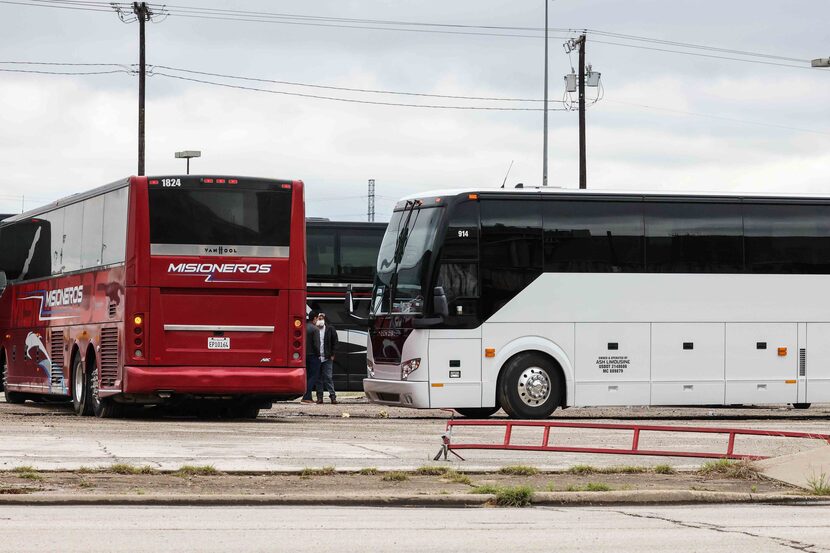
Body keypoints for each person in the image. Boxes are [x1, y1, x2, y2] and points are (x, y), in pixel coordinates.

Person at [315, 312, 339, 404]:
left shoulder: (330, 329)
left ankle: (333, 397)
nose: (320, 320)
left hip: (327, 357)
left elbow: (335, 342)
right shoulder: (314, 329)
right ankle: (319, 397)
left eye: (321, 318)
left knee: (328, 377)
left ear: (324, 319)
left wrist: (333, 354)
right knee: (318, 378)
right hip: (317, 358)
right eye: (318, 318)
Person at [301, 310, 321, 404]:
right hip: (313, 356)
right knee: (313, 376)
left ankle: (307, 396)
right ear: (314, 318)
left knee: (307, 376)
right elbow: (316, 344)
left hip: (304, 356)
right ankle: (307, 396)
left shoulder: (303, 327)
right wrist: (319, 354)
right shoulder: (315, 329)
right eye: (317, 318)